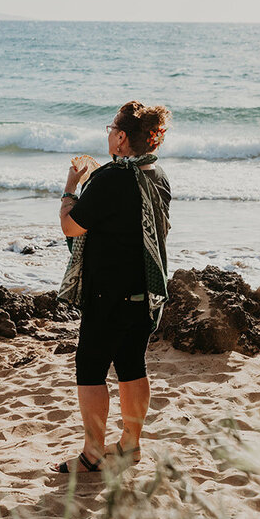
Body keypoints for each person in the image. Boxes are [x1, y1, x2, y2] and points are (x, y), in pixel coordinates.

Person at [55, 101, 173, 474]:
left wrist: (72, 186)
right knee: (131, 366)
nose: (108, 134)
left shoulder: (112, 178)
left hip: (107, 292)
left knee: (90, 368)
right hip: (143, 290)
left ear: (121, 139)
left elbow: (72, 226)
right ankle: (130, 445)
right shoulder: (157, 176)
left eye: (111, 129)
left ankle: (92, 453)